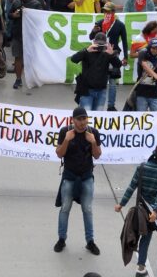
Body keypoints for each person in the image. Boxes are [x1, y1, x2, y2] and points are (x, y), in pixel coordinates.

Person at [114, 141, 157, 277]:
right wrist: (156, 210)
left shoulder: (142, 167)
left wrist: (121, 204)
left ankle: (141, 268)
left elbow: (131, 186)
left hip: (144, 210)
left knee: (145, 239)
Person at [54, 105, 102, 255]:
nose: (82, 122)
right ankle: (61, 239)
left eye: (84, 119)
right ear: (73, 120)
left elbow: (97, 155)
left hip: (86, 176)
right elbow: (59, 154)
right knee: (65, 208)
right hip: (69, 176)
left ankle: (90, 241)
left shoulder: (93, 132)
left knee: (87, 209)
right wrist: (67, 140)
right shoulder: (64, 132)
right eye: (79, 119)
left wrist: (93, 142)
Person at [71, 31, 121, 112]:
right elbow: (73, 59)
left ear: (106, 43)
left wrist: (112, 54)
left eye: (102, 44)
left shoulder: (107, 53)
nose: (100, 46)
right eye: (98, 43)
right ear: (94, 42)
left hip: (101, 91)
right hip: (86, 90)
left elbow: (118, 65)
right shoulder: (87, 51)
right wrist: (86, 51)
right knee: (86, 115)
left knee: (98, 117)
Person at [135, 37, 157, 111]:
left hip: (155, 94)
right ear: (149, 47)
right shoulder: (142, 53)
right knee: (141, 118)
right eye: (153, 48)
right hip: (141, 93)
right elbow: (144, 64)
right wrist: (155, 75)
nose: (155, 50)